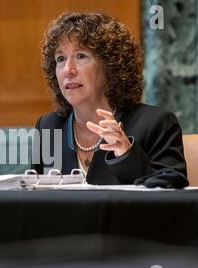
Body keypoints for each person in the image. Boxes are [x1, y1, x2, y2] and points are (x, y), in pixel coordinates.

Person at [32, 11, 188, 187]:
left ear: (110, 66)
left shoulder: (156, 124)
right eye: (60, 59)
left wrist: (125, 153)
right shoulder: (49, 127)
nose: (68, 69)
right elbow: (36, 198)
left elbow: (172, 197)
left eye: (81, 56)